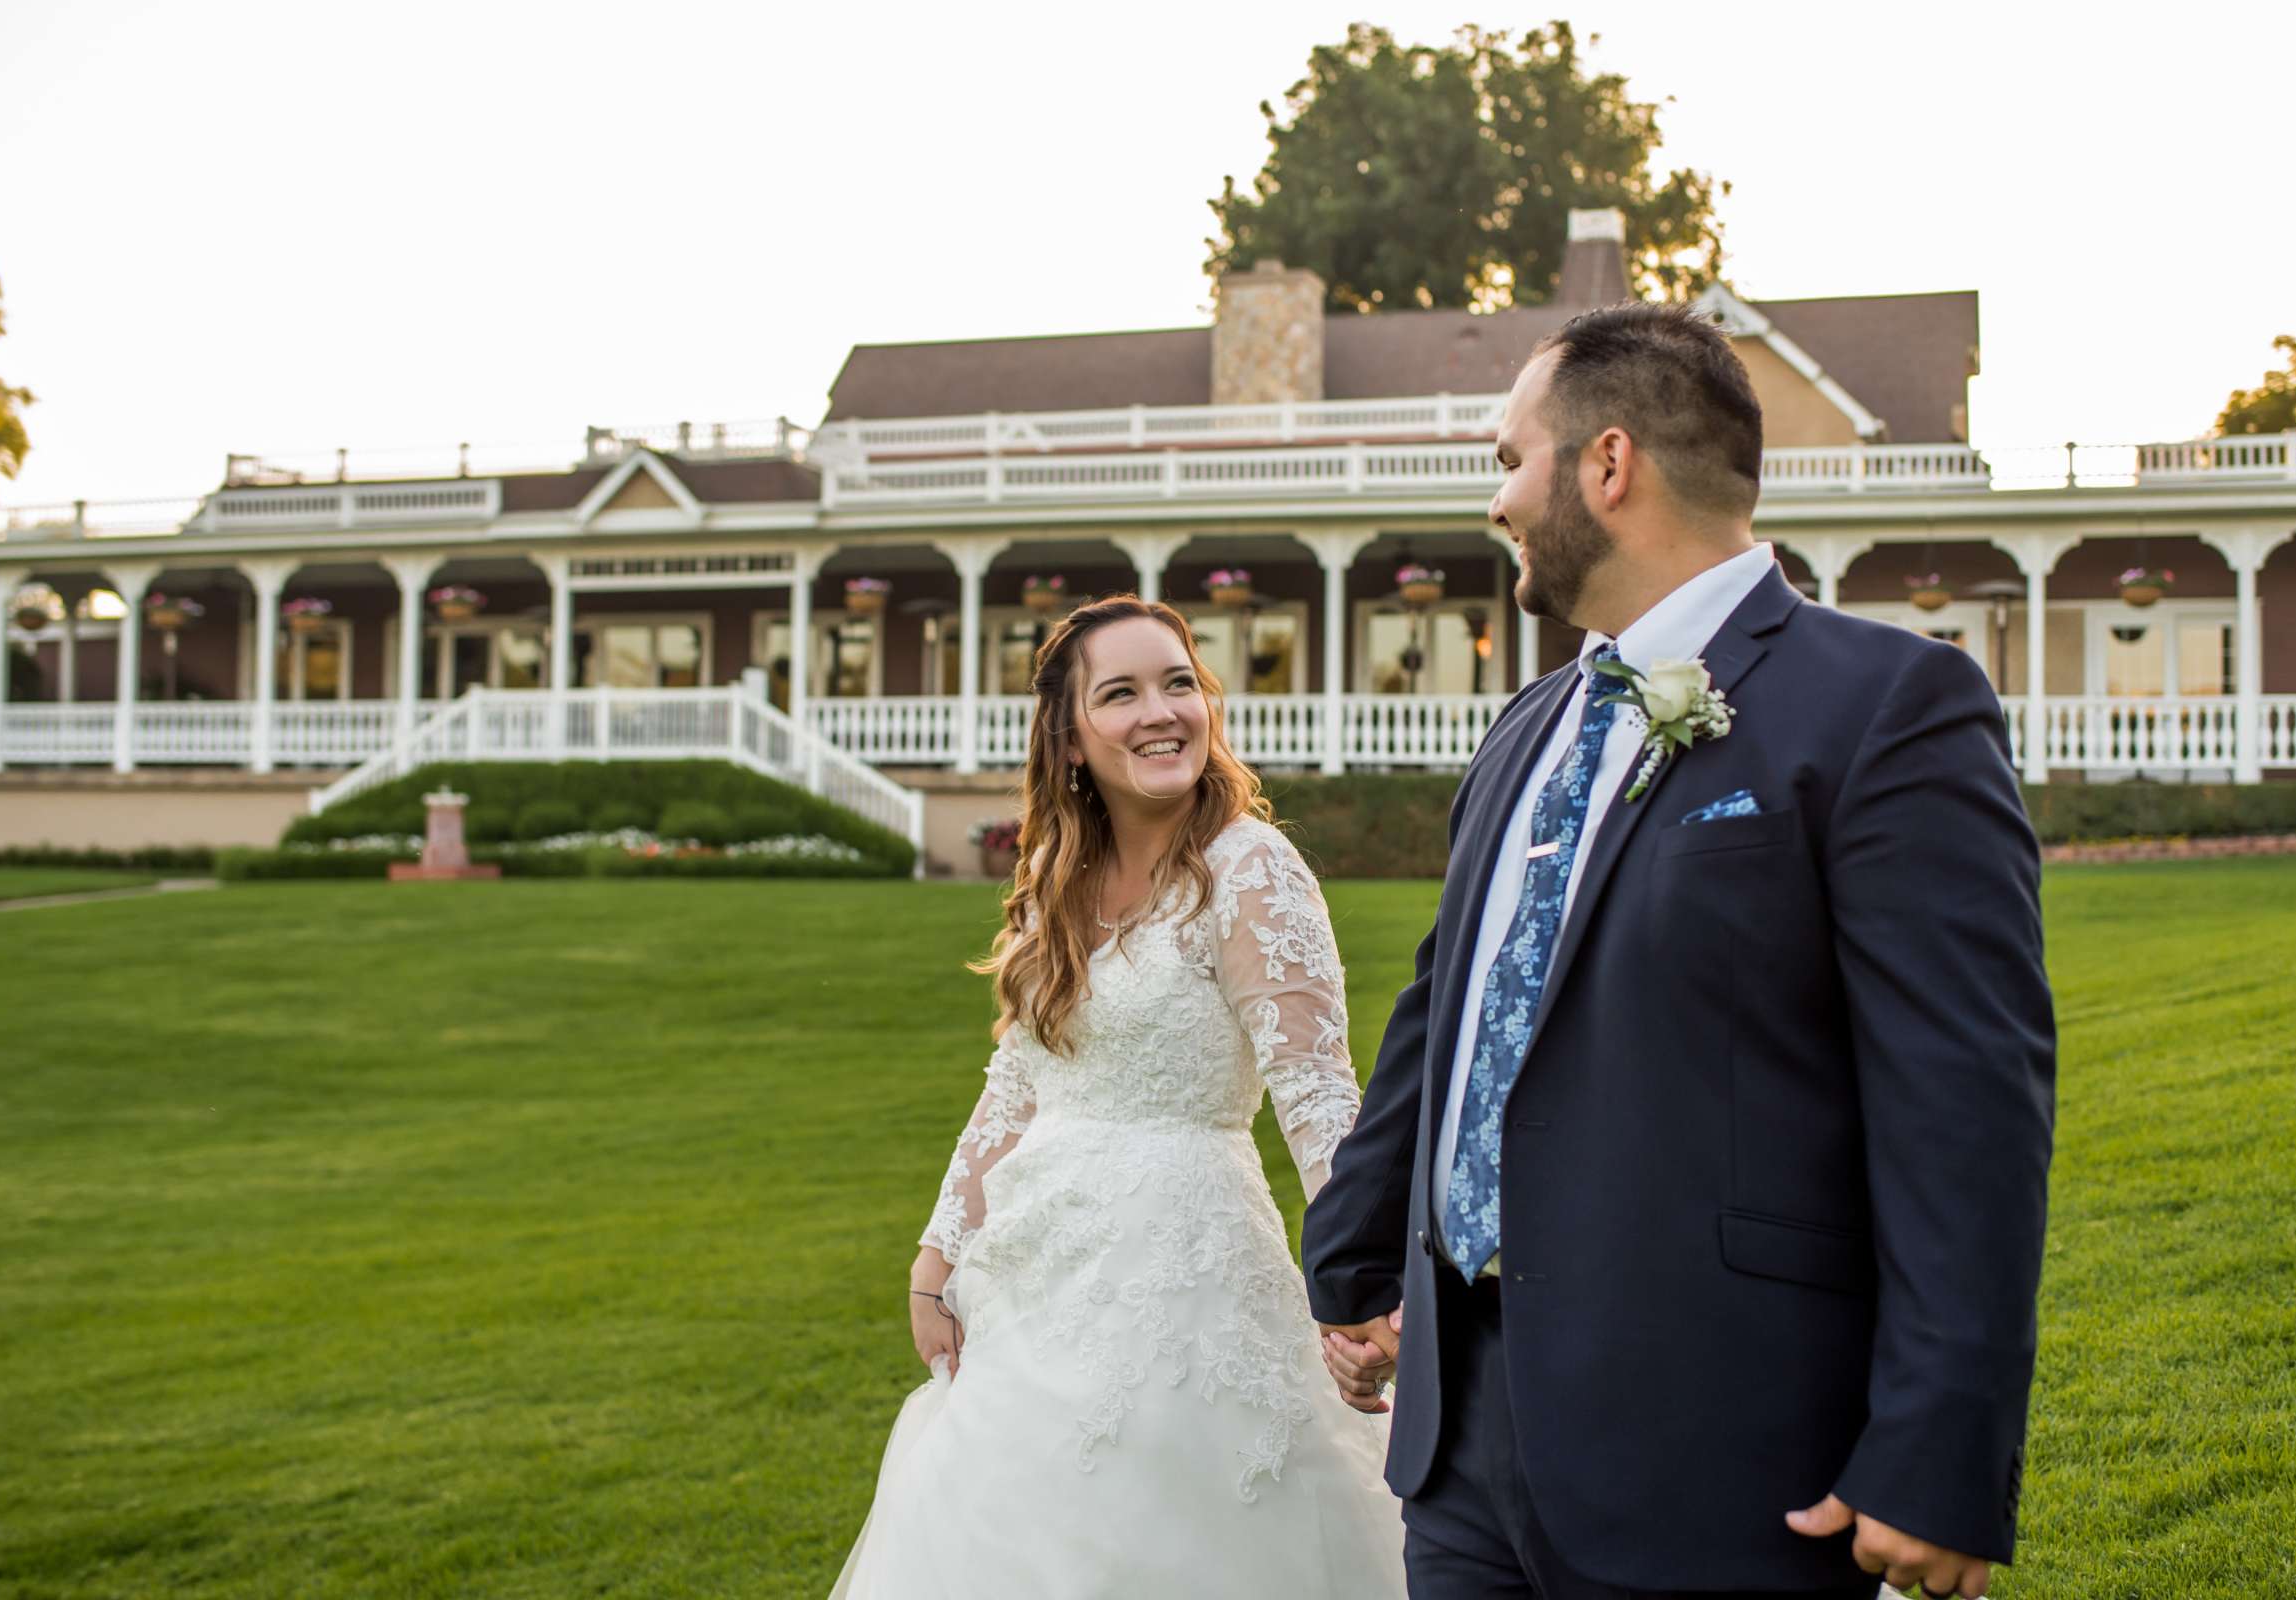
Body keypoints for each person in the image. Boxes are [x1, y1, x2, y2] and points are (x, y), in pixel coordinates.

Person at [1301, 302, 2057, 1600]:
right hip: (1463, 1449)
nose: (1494, 502)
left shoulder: (1884, 710)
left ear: (1607, 466)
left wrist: (1940, 1445)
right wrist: (1356, 1255)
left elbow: (1965, 1102)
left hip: (1716, 1450)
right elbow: (1457, 1002)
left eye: (1507, 459)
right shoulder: (1523, 732)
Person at [832, 596, 1408, 1598]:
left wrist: (1366, 1285)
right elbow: (1019, 1079)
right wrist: (939, 1248)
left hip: (1188, 1282)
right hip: (1031, 1283)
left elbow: (1318, 1098)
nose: (1162, 711)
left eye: (1179, 682)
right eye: (1123, 692)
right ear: (1070, 735)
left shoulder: (1253, 872)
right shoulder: (1061, 869)